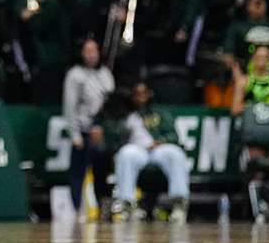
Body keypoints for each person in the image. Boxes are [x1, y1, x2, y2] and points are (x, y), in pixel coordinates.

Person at [112, 82, 190, 222]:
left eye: (143, 94)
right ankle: (128, 204)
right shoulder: (123, 114)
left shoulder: (159, 112)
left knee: (176, 153)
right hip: (136, 149)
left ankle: (180, 202)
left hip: (157, 148)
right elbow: (114, 140)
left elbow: (174, 136)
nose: (140, 98)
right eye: (137, 95)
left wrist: (161, 141)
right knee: (125, 154)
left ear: (149, 95)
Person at [62, 38, 115, 217]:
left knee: (102, 171)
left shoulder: (105, 73)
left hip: (102, 130)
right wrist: (75, 135)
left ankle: (103, 207)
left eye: (94, 51)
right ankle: (77, 209)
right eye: (88, 51)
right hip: (84, 129)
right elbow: (70, 107)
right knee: (79, 171)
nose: (91, 55)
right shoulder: (75, 75)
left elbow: (112, 100)